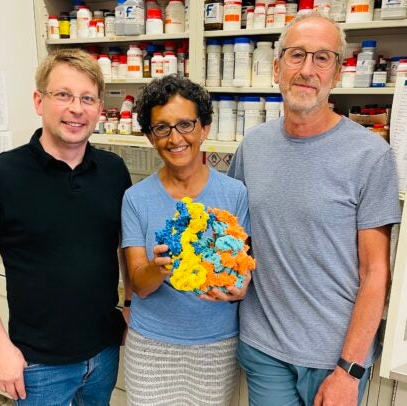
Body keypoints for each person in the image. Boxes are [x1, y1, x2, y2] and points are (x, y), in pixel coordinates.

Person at [228, 12, 401, 406]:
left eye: (322, 58)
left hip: (333, 359)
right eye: (296, 55)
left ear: (337, 72)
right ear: (276, 67)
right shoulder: (252, 148)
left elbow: (376, 272)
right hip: (264, 348)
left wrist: (349, 369)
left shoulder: (370, 156)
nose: (307, 70)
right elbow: (239, 240)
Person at [0, 49, 132, 405]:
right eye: (63, 95)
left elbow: (124, 244)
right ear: (39, 100)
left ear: (100, 109)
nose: (76, 108)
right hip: (38, 363)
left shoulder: (113, 170)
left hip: (105, 350)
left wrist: (130, 301)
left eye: (87, 98)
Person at [121, 75, 253, 405]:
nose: (175, 138)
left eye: (185, 124)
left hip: (216, 344)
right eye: (162, 128)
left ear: (204, 127)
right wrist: (159, 266)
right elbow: (140, 284)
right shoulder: (135, 199)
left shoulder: (234, 194)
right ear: (151, 137)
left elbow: (241, 263)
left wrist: (242, 283)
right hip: (151, 344)